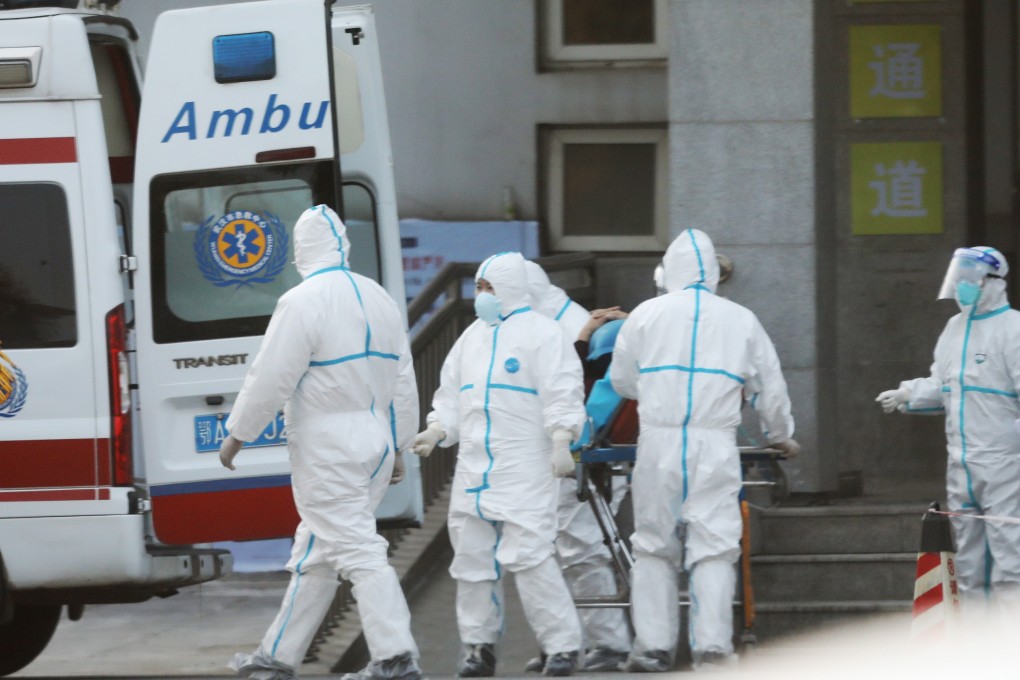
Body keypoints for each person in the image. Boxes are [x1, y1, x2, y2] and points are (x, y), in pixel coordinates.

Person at [218, 205, 422, 680]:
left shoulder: (304, 300)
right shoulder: (380, 299)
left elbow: (271, 374)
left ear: (302, 250)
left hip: (328, 447)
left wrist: (238, 433)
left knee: (355, 549)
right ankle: (276, 658)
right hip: (373, 441)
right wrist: (399, 445)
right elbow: (404, 381)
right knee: (316, 553)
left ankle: (395, 657)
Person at [609, 229, 799, 672]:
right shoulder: (741, 318)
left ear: (669, 270)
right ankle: (712, 649)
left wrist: (659, 393)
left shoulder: (645, 314)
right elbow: (768, 385)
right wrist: (780, 433)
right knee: (713, 546)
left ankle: (653, 647)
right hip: (714, 443)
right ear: (714, 272)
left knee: (654, 544)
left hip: (658, 439)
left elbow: (622, 379)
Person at [411, 251, 586, 677]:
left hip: (524, 461)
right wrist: (437, 430)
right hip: (473, 466)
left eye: (489, 287)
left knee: (529, 555)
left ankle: (562, 647)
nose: (481, 295)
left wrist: (563, 437)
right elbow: (451, 395)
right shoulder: (471, 337)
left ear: (509, 288)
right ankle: (478, 648)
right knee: (471, 560)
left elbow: (563, 389)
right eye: (480, 286)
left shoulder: (543, 334)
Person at [876, 246, 1020, 618]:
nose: (961, 288)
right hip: (961, 463)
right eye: (958, 279)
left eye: (969, 280)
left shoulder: (1014, 329)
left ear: (992, 283)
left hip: (1005, 463)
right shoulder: (954, 328)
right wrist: (909, 393)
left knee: (1010, 560)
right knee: (969, 563)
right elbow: (943, 386)